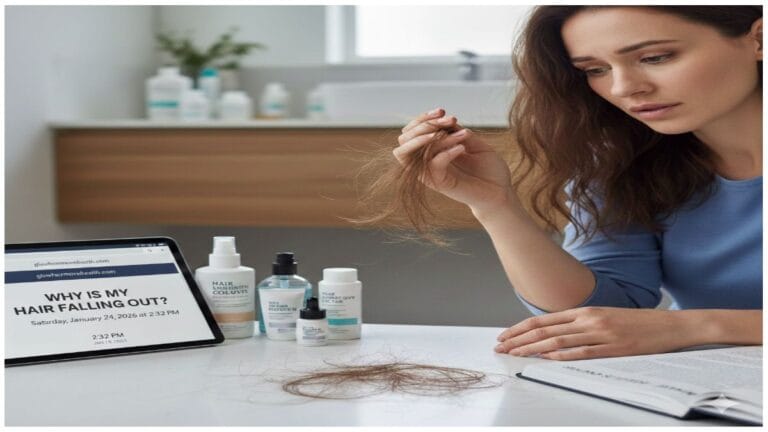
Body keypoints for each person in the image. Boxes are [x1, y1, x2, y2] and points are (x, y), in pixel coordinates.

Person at [393, 6, 762, 360]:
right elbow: (600, 317)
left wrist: (692, 327)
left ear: (758, 40)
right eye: (595, 69)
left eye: (655, 58)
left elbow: (661, 328)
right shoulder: (621, 163)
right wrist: (494, 206)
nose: (624, 87)